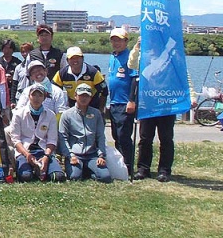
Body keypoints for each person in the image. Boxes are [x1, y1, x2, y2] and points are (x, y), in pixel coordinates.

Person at [129, 38, 176, 182]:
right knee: (145, 138)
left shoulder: (172, 57)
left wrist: (191, 96)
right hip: (147, 103)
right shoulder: (145, 57)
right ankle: (143, 169)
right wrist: (137, 46)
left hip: (166, 104)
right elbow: (131, 64)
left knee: (166, 139)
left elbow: (183, 78)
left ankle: (164, 170)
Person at [9, 83, 65, 182]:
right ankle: (35, 169)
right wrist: (27, 155)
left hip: (43, 151)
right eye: (34, 95)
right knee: (25, 177)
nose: (36, 98)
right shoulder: (18, 114)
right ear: (29, 96)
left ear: (44, 98)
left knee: (58, 177)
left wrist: (46, 157)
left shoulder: (50, 115)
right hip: (25, 151)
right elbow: (15, 139)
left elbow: (52, 140)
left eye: (40, 95)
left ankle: (43, 168)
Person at [58, 83, 111, 183]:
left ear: (90, 98)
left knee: (106, 177)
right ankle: (83, 170)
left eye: (86, 96)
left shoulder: (96, 113)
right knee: (74, 177)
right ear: (75, 96)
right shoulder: (66, 115)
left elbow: (100, 136)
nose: (84, 98)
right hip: (76, 155)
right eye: (81, 95)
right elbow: (63, 138)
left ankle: (88, 170)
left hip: (92, 154)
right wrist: (70, 155)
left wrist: (101, 155)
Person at [106, 28, 138, 175]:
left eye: (119, 40)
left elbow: (134, 79)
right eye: (114, 40)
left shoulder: (130, 56)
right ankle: (120, 167)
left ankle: (128, 167)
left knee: (124, 136)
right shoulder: (113, 56)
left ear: (126, 41)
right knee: (116, 135)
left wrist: (132, 100)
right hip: (113, 102)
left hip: (125, 103)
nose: (116, 43)